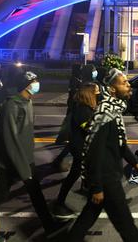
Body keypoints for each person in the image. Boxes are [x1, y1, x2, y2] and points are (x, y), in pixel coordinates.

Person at [66, 69, 138, 241]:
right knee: (126, 225)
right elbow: (94, 152)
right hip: (106, 178)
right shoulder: (105, 113)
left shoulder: (114, 109)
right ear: (112, 89)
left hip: (109, 175)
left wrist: (135, 163)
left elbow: (119, 143)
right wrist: (96, 187)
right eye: (124, 83)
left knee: (87, 217)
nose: (128, 85)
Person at [0, 69, 57, 234]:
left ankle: (49, 225)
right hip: (11, 161)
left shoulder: (28, 102)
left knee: (36, 194)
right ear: (25, 86)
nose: (36, 84)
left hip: (26, 158)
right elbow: (10, 139)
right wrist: (23, 168)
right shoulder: (12, 106)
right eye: (33, 82)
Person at [53, 82, 99, 217]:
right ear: (89, 93)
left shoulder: (87, 107)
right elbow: (89, 127)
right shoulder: (82, 109)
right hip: (79, 147)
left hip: (82, 146)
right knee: (74, 174)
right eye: (96, 90)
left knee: (88, 170)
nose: (98, 91)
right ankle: (59, 202)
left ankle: (87, 190)